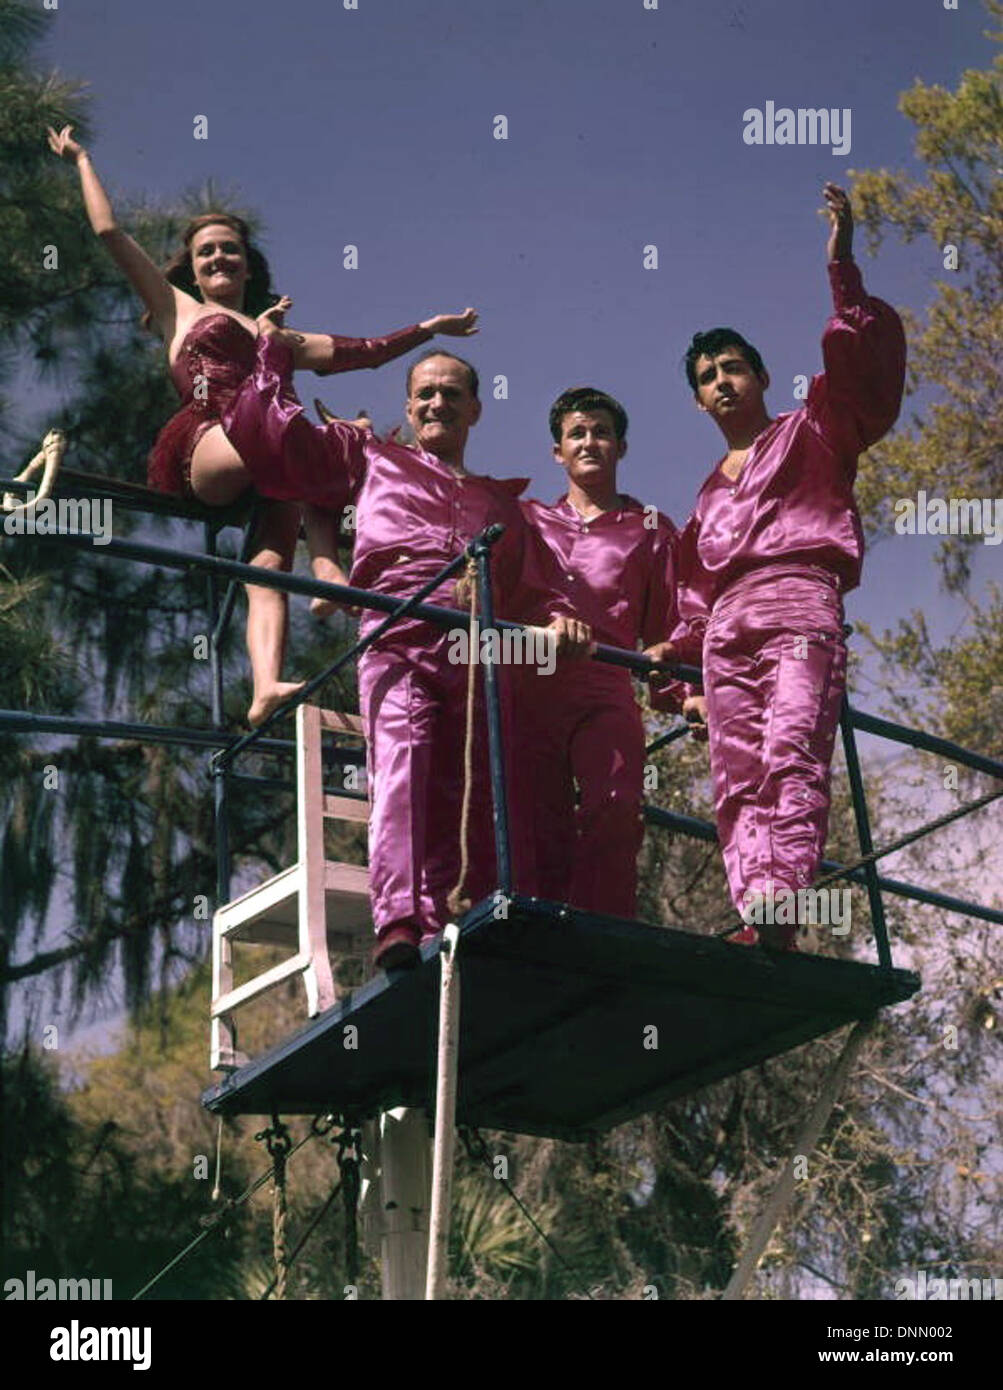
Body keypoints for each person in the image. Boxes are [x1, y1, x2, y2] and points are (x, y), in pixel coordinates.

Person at [47, 124, 477, 724]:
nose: (219, 256)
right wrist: (82, 159)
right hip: (210, 444)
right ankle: (326, 555)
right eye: (206, 252)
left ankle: (267, 684)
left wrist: (427, 330)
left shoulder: (270, 329)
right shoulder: (179, 310)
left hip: (272, 457)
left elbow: (365, 351)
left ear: (249, 265)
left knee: (275, 556)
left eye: (230, 249)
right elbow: (109, 231)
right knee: (293, 423)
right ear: (191, 270)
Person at [223, 340, 593, 968]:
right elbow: (285, 448)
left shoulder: (501, 503)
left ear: (476, 408)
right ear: (408, 405)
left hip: (477, 642)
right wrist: (273, 357)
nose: (437, 402)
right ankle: (399, 921)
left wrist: (563, 622)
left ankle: (475, 911)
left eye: (452, 392)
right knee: (403, 769)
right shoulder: (372, 457)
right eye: (425, 392)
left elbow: (534, 591)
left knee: (478, 781)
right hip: (397, 625)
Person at [649, 184, 906, 949]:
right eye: (707, 376)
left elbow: (865, 375)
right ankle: (759, 907)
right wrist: (672, 663)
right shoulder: (702, 501)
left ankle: (782, 907)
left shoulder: (812, 431)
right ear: (697, 401)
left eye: (733, 368)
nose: (722, 381)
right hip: (728, 630)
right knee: (735, 773)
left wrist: (842, 269)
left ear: (761, 378)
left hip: (798, 604)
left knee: (792, 749)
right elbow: (693, 600)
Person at [515, 387, 682, 918]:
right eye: (577, 433)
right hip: (529, 679)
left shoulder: (652, 528)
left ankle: (602, 930)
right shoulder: (526, 519)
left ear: (622, 446)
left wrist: (685, 693)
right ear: (556, 452)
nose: (590, 442)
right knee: (533, 819)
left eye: (602, 432)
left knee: (616, 804)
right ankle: (538, 935)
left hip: (606, 682)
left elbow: (666, 631)